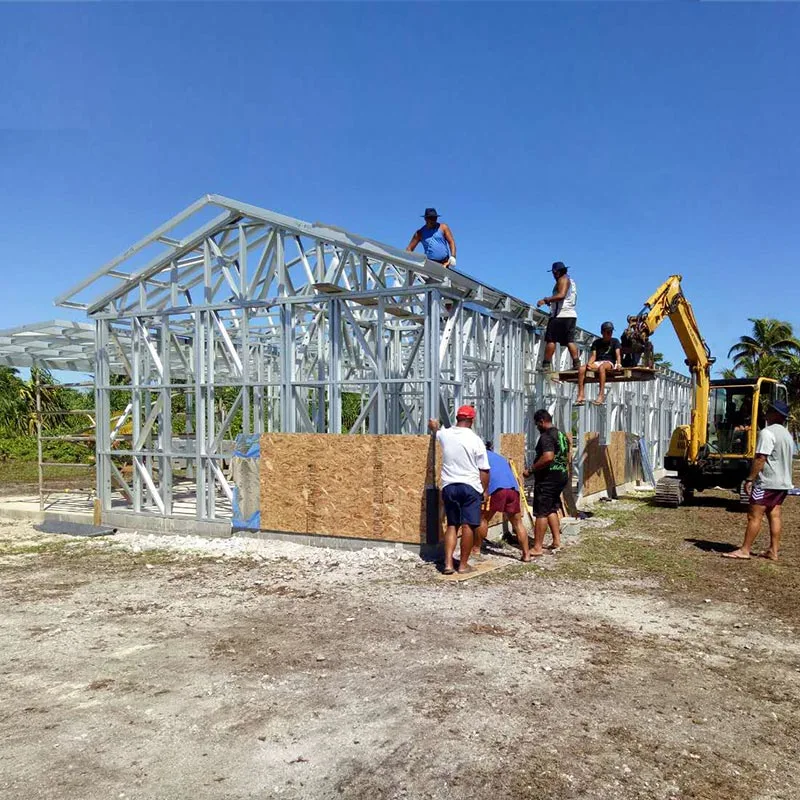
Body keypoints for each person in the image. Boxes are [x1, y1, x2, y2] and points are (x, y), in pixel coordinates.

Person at [724, 401, 795, 561]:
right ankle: (773, 551)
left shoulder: (767, 433)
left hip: (767, 482)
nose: (766, 413)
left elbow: (761, 458)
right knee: (774, 514)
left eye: (770, 411)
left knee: (754, 515)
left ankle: (745, 550)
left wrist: (750, 479)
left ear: (776, 415)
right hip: (782, 483)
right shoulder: (787, 435)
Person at [428, 406, 489, 574]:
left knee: (452, 525)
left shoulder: (446, 434)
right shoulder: (476, 440)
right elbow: (484, 469)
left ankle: (448, 564)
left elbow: (435, 430)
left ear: (457, 418)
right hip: (469, 487)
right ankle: (462, 565)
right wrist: (484, 491)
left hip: (449, 487)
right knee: (468, 526)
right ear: (471, 420)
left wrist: (433, 425)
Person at [473, 442, 531, 562]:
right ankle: (526, 555)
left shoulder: (480, 457)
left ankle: (476, 549)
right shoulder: (500, 458)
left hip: (496, 489)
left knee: (483, 519)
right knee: (518, 523)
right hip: (512, 489)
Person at [524, 409, 570, 556]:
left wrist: (531, 470)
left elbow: (548, 457)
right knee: (551, 508)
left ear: (542, 422)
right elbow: (568, 456)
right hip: (560, 475)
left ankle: (537, 547)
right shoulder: (561, 435)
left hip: (548, 479)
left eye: (537, 424)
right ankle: (556, 541)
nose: (537, 427)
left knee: (541, 512)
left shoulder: (546, 436)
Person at [537, 262, 581, 374]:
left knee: (551, 339)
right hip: (570, 314)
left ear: (557, 272)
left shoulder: (563, 279)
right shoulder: (571, 281)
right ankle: (577, 363)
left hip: (560, 315)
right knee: (569, 340)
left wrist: (546, 300)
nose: (553, 275)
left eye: (553, 272)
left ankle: (546, 365)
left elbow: (561, 295)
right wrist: (552, 302)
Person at [576, 321, 622, 406]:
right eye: (608, 332)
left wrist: (618, 364)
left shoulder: (615, 341)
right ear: (602, 332)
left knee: (602, 367)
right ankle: (581, 394)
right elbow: (594, 356)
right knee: (581, 368)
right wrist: (589, 364)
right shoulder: (596, 343)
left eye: (611, 332)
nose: (610, 334)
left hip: (609, 362)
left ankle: (601, 395)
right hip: (598, 362)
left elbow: (618, 354)